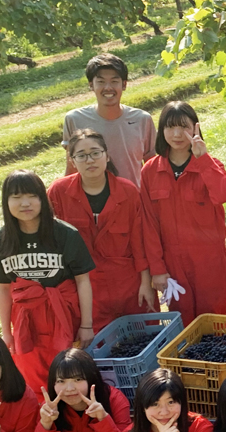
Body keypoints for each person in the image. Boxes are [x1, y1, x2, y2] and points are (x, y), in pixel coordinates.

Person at [0, 170, 95, 394]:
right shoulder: (2, 239)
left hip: (64, 316)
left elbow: (83, 281)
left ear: (42, 198)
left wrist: (86, 325)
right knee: (32, 377)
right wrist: (7, 332)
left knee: (69, 372)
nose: (24, 203)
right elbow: (3, 288)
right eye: (16, 197)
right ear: (6, 201)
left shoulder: (65, 234)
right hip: (26, 320)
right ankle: (44, 423)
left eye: (31, 195)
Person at [49, 129, 155, 332]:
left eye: (95, 153)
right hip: (86, 289)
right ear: (72, 161)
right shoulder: (58, 193)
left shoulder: (128, 191)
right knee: (95, 351)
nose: (90, 160)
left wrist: (145, 282)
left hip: (128, 284)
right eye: (81, 155)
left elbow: (139, 241)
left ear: (107, 156)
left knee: (143, 338)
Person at [140, 101, 226, 323]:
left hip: (209, 260)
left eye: (183, 127)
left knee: (214, 321)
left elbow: (224, 195)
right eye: (170, 127)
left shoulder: (210, 164)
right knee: (181, 324)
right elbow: (148, 224)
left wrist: (203, 160)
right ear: (161, 131)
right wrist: (157, 269)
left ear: (195, 128)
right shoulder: (150, 171)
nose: (176, 134)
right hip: (173, 264)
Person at [62, 53, 156, 187]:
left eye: (114, 81)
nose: (108, 88)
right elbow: (71, 169)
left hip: (134, 200)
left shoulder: (142, 120)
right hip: (93, 204)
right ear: (91, 85)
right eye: (100, 82)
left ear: (124, 85)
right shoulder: (74, 120)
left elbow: (151, 166)